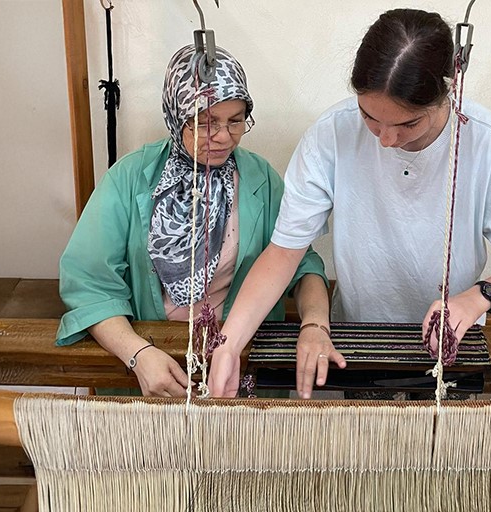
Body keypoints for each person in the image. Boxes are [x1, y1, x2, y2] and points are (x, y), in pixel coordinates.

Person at [208, 9, 491, 399]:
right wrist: (229, 344)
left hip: (448, 345)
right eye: (370, 117)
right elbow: (284, 252)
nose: (385, 139)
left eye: (408, 124)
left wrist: (476, 299)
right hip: (356, 341)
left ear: (446, 93)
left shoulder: (490, 148)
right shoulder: (332, 134)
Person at [56, 44, 329, 397]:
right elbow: (90, 284)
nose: (223, 137)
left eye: (236, 121)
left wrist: (314, 323)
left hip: (239, 357)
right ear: (176, 114)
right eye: (206, 122)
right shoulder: (130, 178)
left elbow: (303, 265)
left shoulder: (260, 180)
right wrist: (137, 353)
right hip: (155, 357)